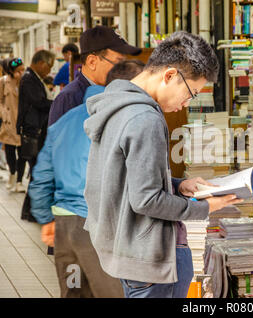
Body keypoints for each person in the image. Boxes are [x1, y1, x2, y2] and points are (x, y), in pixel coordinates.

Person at [83, 31, 243, 299]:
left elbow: (124, 177)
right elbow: (147, 199)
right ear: (169, 76)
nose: (186, 103)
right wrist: (204, 207)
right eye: (191, 93)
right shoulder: (145, 118)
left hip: (126, 250)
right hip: (152, 261)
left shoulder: (116, 106)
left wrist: (180, 186)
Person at [28, 60, 145, 298]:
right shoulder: (121, 119)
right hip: (97, 230)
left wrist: (46, 219)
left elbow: (41, 177)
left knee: (74, 292)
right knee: (111, 293)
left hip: (64, 230)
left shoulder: (65, 121)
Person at [48, 26, 141, 127]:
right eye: (118, 63)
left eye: (125, 63)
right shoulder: (69, 99)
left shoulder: (116, 92)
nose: (123, 70)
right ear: (92, 62)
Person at [17, 50, 55, 222]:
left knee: (36, 171)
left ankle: (31, 211)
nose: (49, 71)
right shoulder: (29, 79)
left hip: (36, 130)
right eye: (49, 67)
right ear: (41, 63)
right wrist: (57, 104)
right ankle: (31, 211)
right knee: (37, 171)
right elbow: (39, 102)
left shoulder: (33, 78)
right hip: (33, 132)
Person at [0, 58, 26, 192]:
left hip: (22, 122)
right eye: (18, 71)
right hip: (9, 122)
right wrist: (3, 114)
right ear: (11, 71)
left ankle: (20, 181)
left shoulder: (26, 81)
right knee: (10, 152)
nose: (20, 73)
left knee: (22, 153)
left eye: (22, 70)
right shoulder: (4, 81)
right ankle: (12, 173)